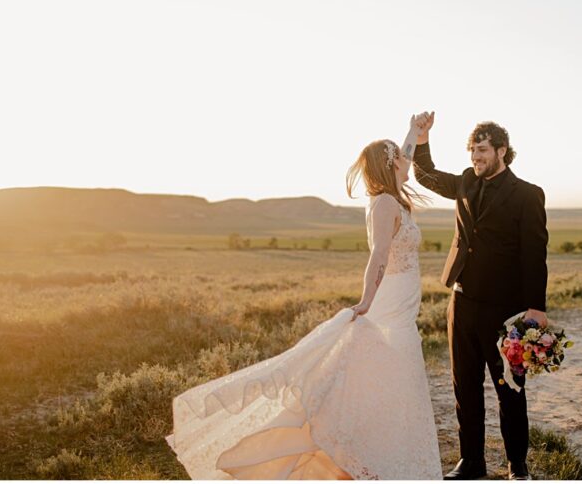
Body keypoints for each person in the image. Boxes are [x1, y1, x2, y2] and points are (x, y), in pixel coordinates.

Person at [165, 116, 442, 480]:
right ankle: (364, 459)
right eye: (399, 161)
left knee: (384, 382)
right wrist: (365, 302)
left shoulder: (392, 195)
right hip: (388, 306)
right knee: (388, 379)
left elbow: (404, 158)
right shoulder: (386, 203)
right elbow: (379, 256)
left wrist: (414, 133)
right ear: (388, 167)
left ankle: (370, 457)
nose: (407, 165)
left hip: (402, 305)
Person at [411, 112, 548, 481]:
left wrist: (536, 307)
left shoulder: (528, 195)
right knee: (464, 386)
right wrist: (421, 138)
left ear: (502, 150)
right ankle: (471, 461)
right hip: (462, 301)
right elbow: (425, 175)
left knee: (510, 389)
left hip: (505, 309)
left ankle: (517, 465)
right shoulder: (466, 182)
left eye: (483, 149)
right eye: (473, 149)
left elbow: (534, 254)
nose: (476, 156)